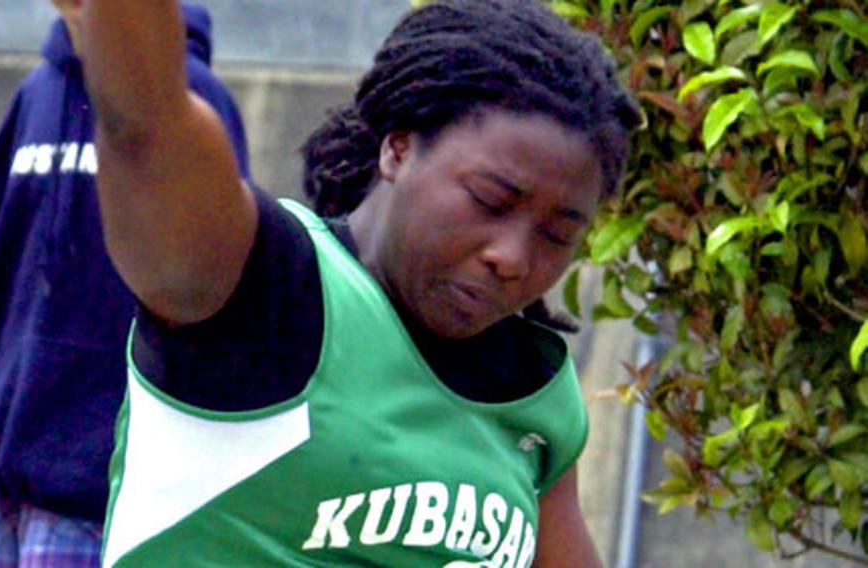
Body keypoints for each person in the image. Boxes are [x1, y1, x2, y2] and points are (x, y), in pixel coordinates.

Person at [84, 0, 640, 565]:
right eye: (490, 200)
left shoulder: (533, 387)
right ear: (398, 147)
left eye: (556, 235)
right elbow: (145, 127)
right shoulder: (266, 289)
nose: (514, 257)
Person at [0, 1, 249, 565]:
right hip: (15, 483)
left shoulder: (189, 103)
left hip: (105, 489)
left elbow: (220, 282)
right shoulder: (36, 93)